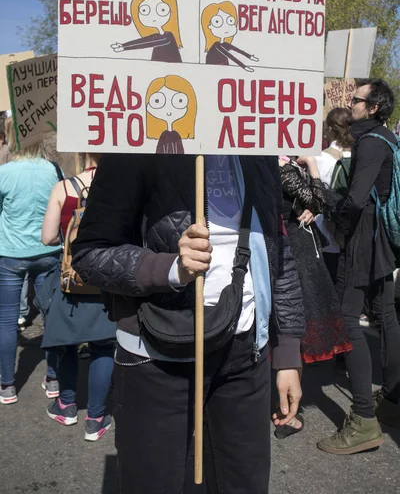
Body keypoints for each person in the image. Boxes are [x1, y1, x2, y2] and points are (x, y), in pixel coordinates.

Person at [71, 153, 305, 493]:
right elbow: (90, 254)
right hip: (155, 358)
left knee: (244, 483)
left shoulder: (259, 148)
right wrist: (170, 268)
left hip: (244, 355)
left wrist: (287, 353)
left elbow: (278, 251)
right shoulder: (134, 150)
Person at [318, 79, 400, 454]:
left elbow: (354, 199)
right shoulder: (387, 138)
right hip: (383, 237)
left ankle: (364, 419)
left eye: (357, 100)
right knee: (385, 313)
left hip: (364, 238)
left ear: (374, 108)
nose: (350, 104)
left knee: (349, 318)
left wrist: (331, 210)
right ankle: (393, 401)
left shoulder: (368, 142)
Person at [41, 153, 115, 442]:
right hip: (107, 279)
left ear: (82, 153)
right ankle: (95, 418)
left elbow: (47, 237)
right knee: (103, 347)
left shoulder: (63, 188)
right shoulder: (118, 186)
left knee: (67, 344)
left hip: (72, 281)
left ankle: (67, 405)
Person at [277, 155, 351, 437]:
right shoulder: (283, 167)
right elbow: (321, 201)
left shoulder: (283, 166)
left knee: (292, 331)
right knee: (295, 328)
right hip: (295, 252)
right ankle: (287, 411)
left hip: (297, 248)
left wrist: (313, 204)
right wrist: (313, 167)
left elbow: (323, 202)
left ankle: (286, 409)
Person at [0, 119, 61, 405]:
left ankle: (8, 385)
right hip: (48, 251)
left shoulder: (5, 172)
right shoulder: (53, 170)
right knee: (52, 317)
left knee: (7, 320)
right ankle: (53, 378)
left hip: (11, 253)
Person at [315, 108, 353, 283]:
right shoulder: (355, 155)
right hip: (348, 230)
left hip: (324, 231)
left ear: (330, 128)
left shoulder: (320, 158)